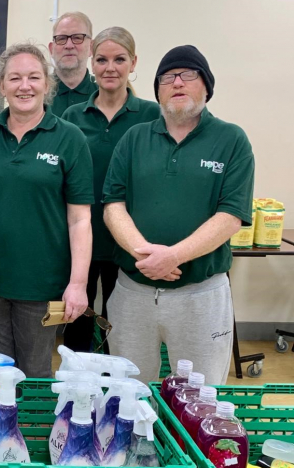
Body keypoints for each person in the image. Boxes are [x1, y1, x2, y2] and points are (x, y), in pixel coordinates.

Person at [103, 45, 254, 385]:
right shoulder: (134, 138)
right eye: (168, 77)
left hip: (200, 296)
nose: (178, 83)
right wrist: (146, 254)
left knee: (199, 398)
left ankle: (188, 443)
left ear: (207, 86)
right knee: (128, 393)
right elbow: (113, 204)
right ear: (157, 90)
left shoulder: (231, 140)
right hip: (133, 293)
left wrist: (172, 255)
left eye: (189, 75)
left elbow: (231, 215)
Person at [0, 43, 93, 378]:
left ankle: (32, 429)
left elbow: (80, 219)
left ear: (47, 84)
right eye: (14, 78)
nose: (24, 85)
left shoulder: (70, 139)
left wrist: (78, 283)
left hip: (42, 286)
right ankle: (1, 430)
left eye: (33, 77)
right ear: (1, 86)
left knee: (34, 372)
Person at [61, 27, 160, 353]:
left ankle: (117, 394)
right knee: (78, 322)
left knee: (123, 326)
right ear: (92, 62)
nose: (110, 67)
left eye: (119, 59)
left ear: (133, 63)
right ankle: (76, 391)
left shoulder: (151, 115)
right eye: (102, 59)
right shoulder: (73, 116)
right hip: (83, 237)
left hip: (130, 240)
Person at [48, 11, 97, 117]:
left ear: (91, 47)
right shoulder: (37, 94)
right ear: (51, 49)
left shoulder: (103, 95)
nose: (69, 45)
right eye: (61, 39)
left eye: (77, 38)